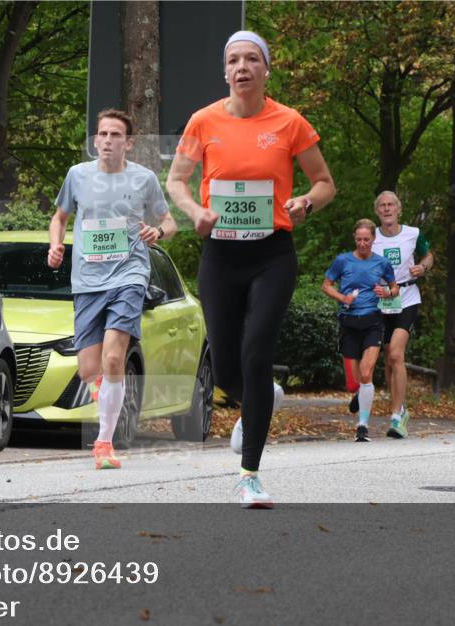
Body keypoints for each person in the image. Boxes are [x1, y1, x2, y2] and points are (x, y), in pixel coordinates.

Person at [166, 30, 335, 508]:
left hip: (272, 254)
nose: (242, 67)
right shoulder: (203, 121)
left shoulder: (289, 122)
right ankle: (265, 396)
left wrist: (306, 200)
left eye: (251, 60)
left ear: (266, 70)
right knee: (225, 370)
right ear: (225, 72)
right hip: (220, 256)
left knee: (257, 354)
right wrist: (194, 212)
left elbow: (324, 183)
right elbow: (176, 180)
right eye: (233, 60)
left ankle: (249, 476)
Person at [48, 108, 177, 470]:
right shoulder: (77, 176)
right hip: (87, 281)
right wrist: (54, 245)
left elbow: (169, 220)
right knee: (89, 368)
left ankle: (104, 443)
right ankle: (102, 392)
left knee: (114, 358)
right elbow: (59, 219)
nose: (106, 140)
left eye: (115, 135)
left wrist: (160, 231)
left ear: (129, 143)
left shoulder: (144, 179)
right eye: (102, 134)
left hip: (129, 275)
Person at [323, 219, 398, 442]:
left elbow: (394, 287)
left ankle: (362, 426)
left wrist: (387, 293)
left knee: (367, 374)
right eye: (359, 240)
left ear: (374, 239)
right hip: (348, 322)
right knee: (355, 381)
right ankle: (359, 393)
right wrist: (342, 297)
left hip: (373, 322)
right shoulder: (342, 261)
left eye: (367, 239)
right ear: (354, 239)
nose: (363, 243)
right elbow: (326, 285)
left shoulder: (382, 263)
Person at [370, 191, 434, 438]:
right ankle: (400, 408)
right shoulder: (371, 237)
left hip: (407, 297)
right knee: (388, 359)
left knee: (396, 353)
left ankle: (397, 416)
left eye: (391, 205)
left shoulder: (413, 234)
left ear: (398, 210)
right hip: (382, 300)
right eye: (382, 206)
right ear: (377, 211)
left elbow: (429, 255)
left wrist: (423, 266)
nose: (387, 209)